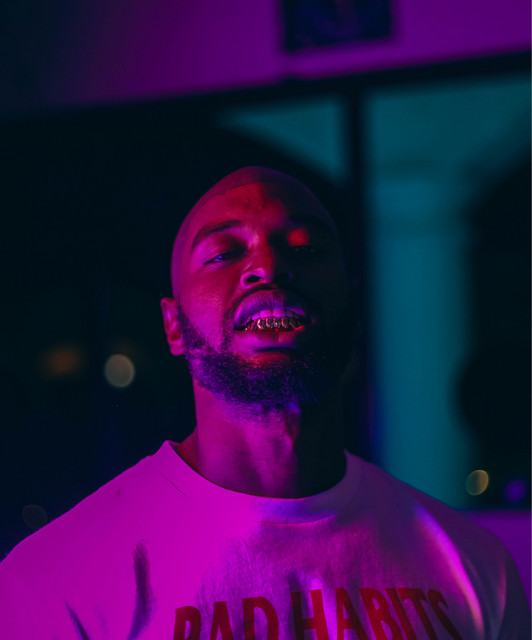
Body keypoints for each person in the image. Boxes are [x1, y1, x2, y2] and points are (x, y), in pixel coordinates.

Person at [0, 167, 529, 639]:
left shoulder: (476, 567)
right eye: (225, 253)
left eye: (306, 248)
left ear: (351, 303)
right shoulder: (53, 586)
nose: (269, 267)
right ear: (173, 325)